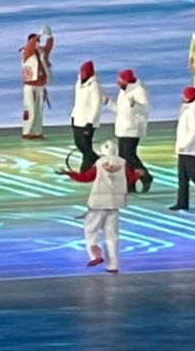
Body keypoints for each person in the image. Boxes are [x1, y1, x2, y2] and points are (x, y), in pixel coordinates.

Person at [57, 140, 145, 273]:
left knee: (91, 231)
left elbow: (85, 177)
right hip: (114, 204)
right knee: (112, 236)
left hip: (97, 204)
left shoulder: (99, 164)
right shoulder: (123, 164)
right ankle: (113, 265)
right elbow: (129, 179)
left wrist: (69, 173)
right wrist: (138, 174)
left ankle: (94, 253)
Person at [108, 69, 153, 192]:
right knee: (124, 158)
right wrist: (108, 103)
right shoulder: (123, 91)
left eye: (120, 80)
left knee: (129, 156)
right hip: (123, 128)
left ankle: (145, 176)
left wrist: (135, 105)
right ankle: (130, 183)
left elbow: (145, 109)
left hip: (133, 129)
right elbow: (121, 109)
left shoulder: (139, 91)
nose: (118, 82)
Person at [71, 60, 109, 172]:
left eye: (84, 72)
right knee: (79, 144)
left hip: (87, 121)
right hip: (77, 118)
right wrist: (73, 115)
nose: (82, 74)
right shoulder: (78, 83)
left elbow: (96, 105)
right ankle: (93, 160)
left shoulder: (94, 86)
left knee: (85, 145)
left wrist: (90, 122)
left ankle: (88, 166)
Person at [21, 25, 54, 140]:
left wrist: (49, 36)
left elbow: (49, 47)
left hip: (41, 85)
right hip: (30, 86)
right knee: (30, 109)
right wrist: (38, 34)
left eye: (39, 41)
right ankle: (27, 131)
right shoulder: (27, 52)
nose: (38, 43)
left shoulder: (41, 52)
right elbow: (30, 45)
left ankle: (37, 131)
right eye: (36, 41)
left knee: (39, 110)